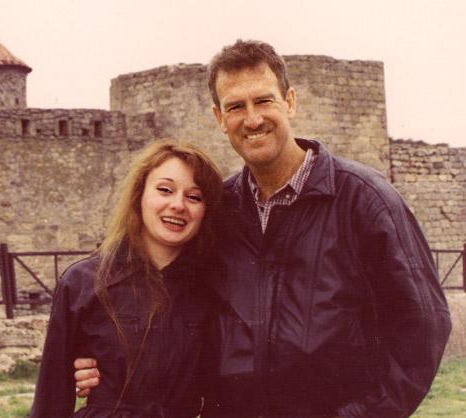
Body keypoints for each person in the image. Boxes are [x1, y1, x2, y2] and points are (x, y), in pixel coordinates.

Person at [74, 40, 452, 418]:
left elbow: (424, 327)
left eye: (264, 101)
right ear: (219, 118)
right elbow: (169, 296)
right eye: (236, 107)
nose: (252, 119)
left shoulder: (364, 200)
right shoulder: (219, 210)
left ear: (290, 102)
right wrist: (105, 355)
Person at [30, 140, 222, 417]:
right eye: (165, 190)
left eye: (194, 197)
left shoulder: (210, 288)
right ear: (139, 195)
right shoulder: (83, 282)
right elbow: (50, 399)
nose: (178, 205)